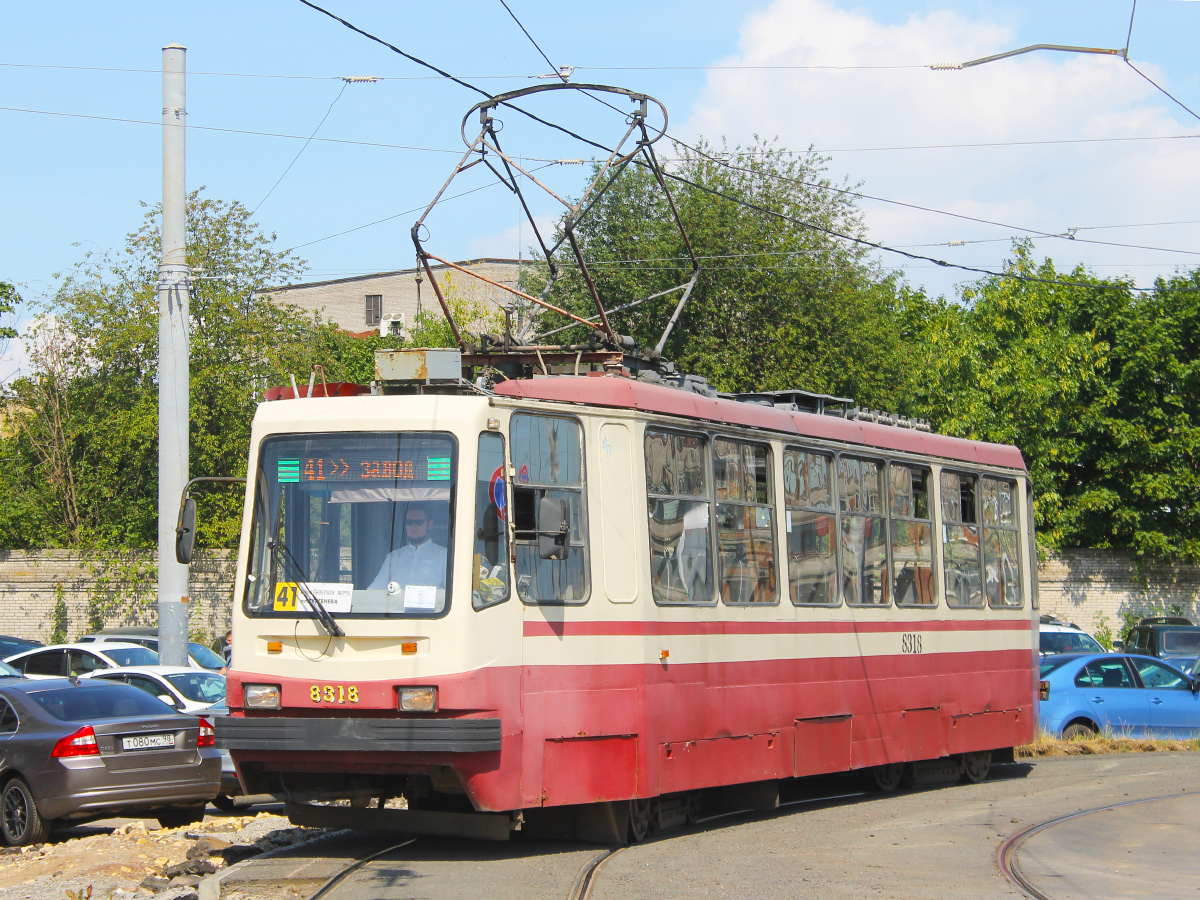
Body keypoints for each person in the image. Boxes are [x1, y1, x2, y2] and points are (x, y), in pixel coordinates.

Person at [368, 503, 448, 591]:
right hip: (396, 605)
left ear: (430, 524)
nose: (413, 527)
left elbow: (451, 593)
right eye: (409, 522)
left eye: (419, 522)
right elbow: (375, 589)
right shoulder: (394, 557)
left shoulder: (444, 555)